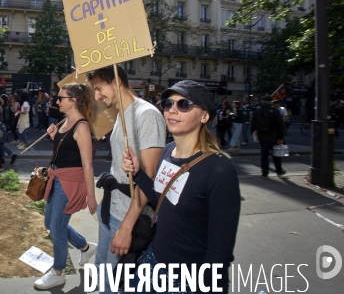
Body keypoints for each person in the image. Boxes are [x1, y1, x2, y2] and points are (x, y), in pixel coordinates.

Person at [121, 80, 241, 292]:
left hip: (187, 280)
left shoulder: (220, 170)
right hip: (153, 262)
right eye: (168, 104)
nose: (172, 110)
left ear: (204, 116)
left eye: (184, 104)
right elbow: (163, 202)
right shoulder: (167, 151)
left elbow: (219, 252)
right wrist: (138, 173)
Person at [86, 65, 165, 294]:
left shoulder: (147, 115)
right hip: (109, 211)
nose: (97, 96)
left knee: (114, 286)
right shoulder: (120, 115)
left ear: (117, 81)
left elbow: (148, 177)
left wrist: (127, 227)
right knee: (102, 276)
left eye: (99, 89)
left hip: (126, 219)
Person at [34, 83, 98, 289]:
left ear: (73, 101)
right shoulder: (65, 122)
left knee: (58, 230)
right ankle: (85, 246)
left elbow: (87, 164)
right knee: (50, 224)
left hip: (69, 183)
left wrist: (91, 196)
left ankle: (58, 272)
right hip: (57, 178)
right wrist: (56, 137)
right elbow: (66, 151)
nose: (57, 101)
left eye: (61, 98)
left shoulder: (82, 126)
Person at [251, 95, 286, 177]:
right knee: (276, 155)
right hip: (274, 136)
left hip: (262, 136)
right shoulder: (275, 111)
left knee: (264, 155)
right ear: (270, 102)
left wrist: (255, 133)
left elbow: (253, 124)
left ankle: (265, 173)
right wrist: (281, 137)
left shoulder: (257, 111)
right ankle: (279, 170)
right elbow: (280, 125)